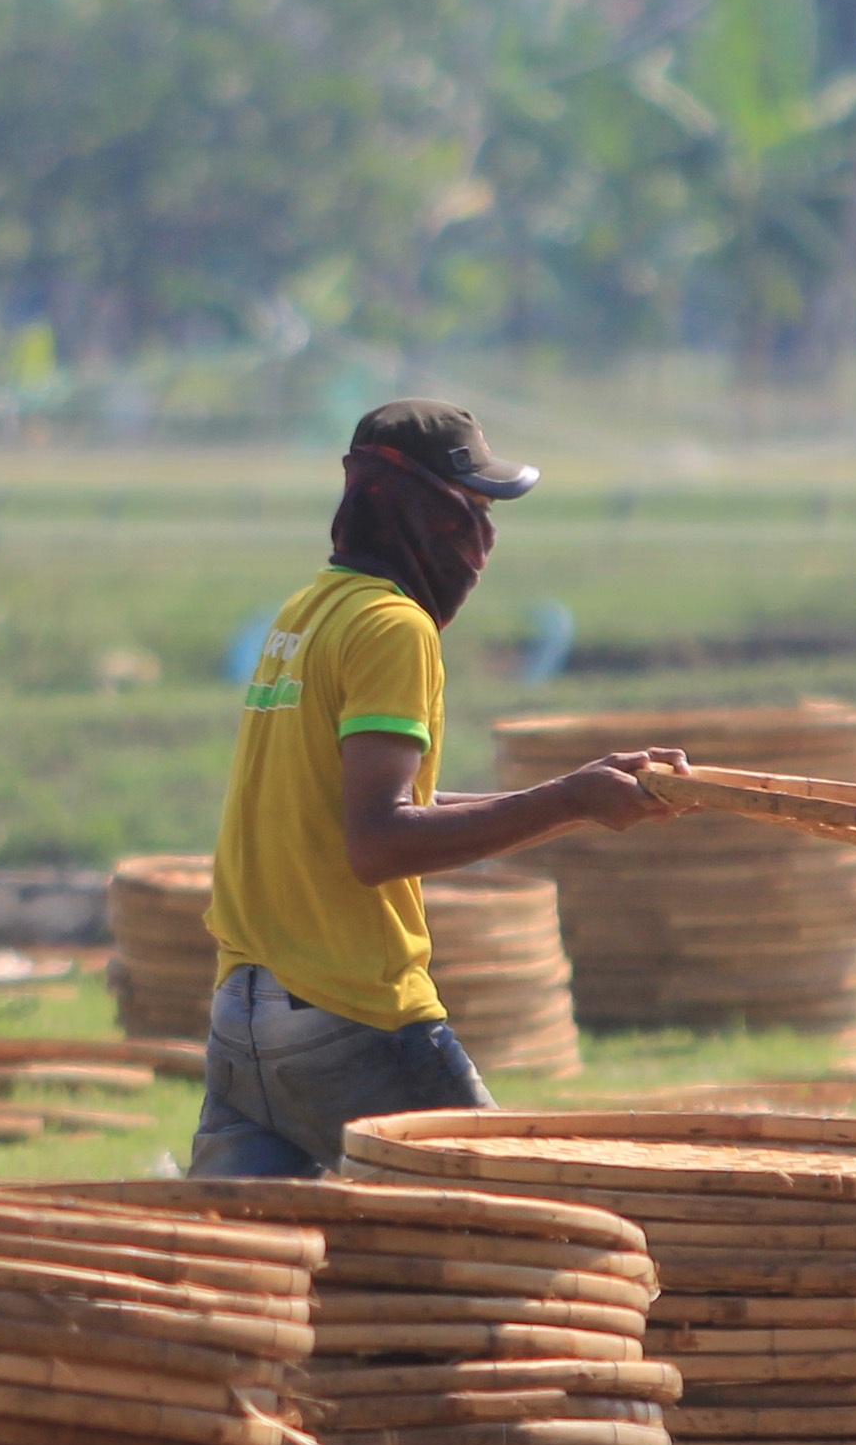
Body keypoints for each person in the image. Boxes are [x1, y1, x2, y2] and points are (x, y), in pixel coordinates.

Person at [193, 401, 680, 1177]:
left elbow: (359, 807)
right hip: (350, 1016)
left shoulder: (307, 612)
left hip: (243, 1020)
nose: (484, 533)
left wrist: (578, 793)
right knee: (519, 1237)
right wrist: (570, 801)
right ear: (422, 508)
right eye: (475, 508)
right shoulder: (394, 627)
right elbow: (379, 841)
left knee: (246, 1276)